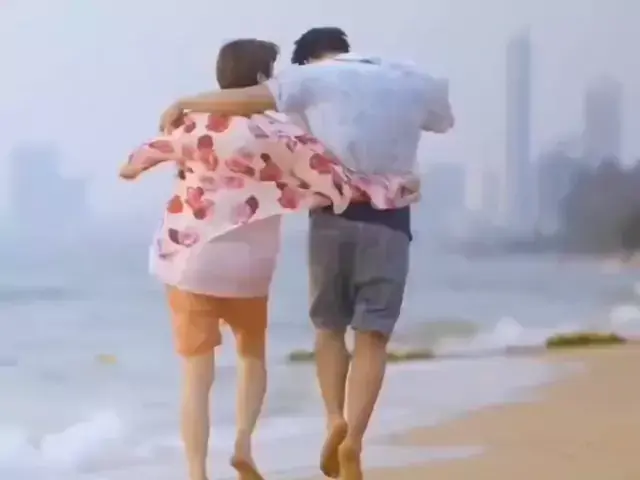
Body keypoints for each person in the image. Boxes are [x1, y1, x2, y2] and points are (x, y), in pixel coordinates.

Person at [159, 28, 454, 480]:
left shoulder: (313, 78)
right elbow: (443, 120)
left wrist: (187, 102)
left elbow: (247, 100)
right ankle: (352, 439)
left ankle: (331, 418)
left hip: (323, 222)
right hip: (389, 222)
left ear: (306, 60)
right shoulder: (410, 78)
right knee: (373, 335)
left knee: (328, 327)